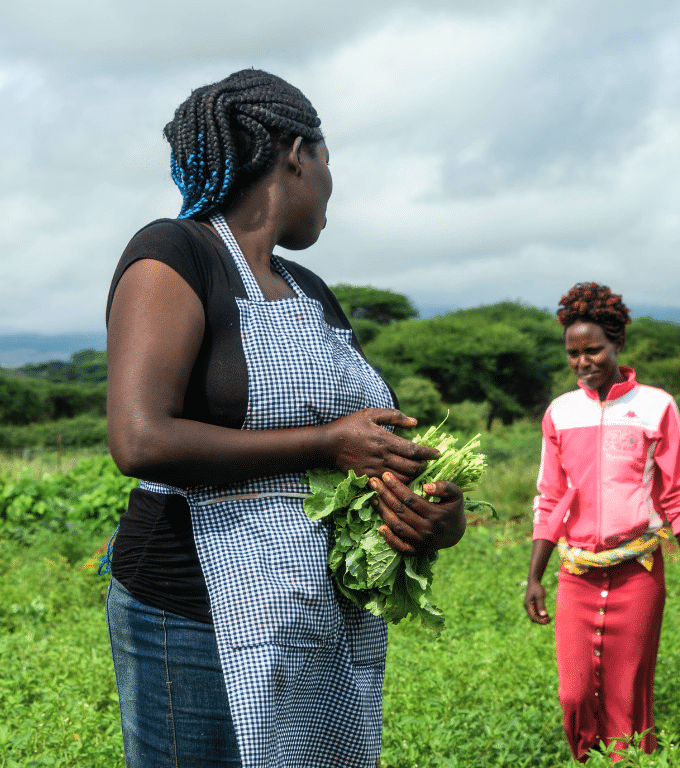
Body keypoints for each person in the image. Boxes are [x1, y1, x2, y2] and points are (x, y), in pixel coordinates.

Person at [103, 69, 466, 768]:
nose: (332, 187)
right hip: (191, 610)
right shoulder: (175, 253)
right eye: (329, 162)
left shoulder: (311, 291)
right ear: (297, 152)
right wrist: (328, 444)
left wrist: (431, 515)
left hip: (305, 611)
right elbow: (141, 438)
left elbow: (367, 448)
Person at [523, 282, 680, 762]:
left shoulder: (656, 406)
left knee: (628, 696)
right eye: (574, 353)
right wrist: (534, 577)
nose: (584, 362)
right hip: (577, 572)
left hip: (638, 572)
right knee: (574, 694)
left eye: (594, 350)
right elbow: (550, 498)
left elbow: (679, 493)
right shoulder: (560, 413)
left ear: (617, 344)